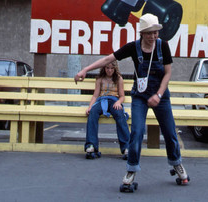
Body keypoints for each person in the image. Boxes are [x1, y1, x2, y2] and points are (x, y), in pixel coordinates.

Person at [74, 13, 188, 189]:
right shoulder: (133, 48)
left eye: (155, 32)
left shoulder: (163, 46)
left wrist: (158, 95)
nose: (153, 36)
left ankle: (176, 163)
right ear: (142, 33)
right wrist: (85, 70)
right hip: (140, 96)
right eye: (149, 33)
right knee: (136, 132)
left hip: (160, 95)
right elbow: (107, 59)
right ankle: (131, 170)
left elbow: (168, 73)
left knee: (170, 132)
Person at [84, 61, 130, 160]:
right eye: (107, 68)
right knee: (92, 113)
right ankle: (91, 145)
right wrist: (90, 107)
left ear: (115, 69)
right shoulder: (100, 79)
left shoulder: (118, 79)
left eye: (111, 68)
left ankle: (126, 147)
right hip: (102, 100)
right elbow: (95, 95)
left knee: (119, 115)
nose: (109, 70)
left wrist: (118, 102)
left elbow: (122, 96)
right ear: (104, 68)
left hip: (114, 101)